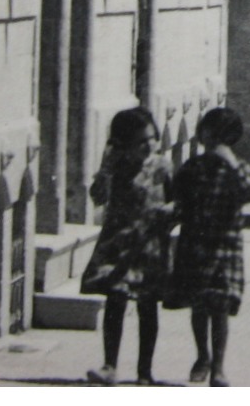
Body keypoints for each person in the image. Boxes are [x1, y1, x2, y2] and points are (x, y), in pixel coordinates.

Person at [80, 106, 173, 386]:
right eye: (140, 141)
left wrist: (169, 213)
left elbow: (175, 199)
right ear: (124, 143)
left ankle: (145, 371)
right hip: (118, 243)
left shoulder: (162, 166)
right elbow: (97, 198)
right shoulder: (116, 166)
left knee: (147, 306)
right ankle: (110, 365)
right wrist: (106, 168)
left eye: (152, 139)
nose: (148, 146)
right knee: (116, 300)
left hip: (150, 245)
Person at [166, 107, 250, 387]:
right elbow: (177, 199)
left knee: (219, 306)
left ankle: (218, 367)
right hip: (195, 244)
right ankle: (202, 355)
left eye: (220, 136)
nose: (212, 140)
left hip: (226, 248)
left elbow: (248, 192)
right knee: (199, 305)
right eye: (208, 132)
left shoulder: (238, 168)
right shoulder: (192, 167)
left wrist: (229, 162)